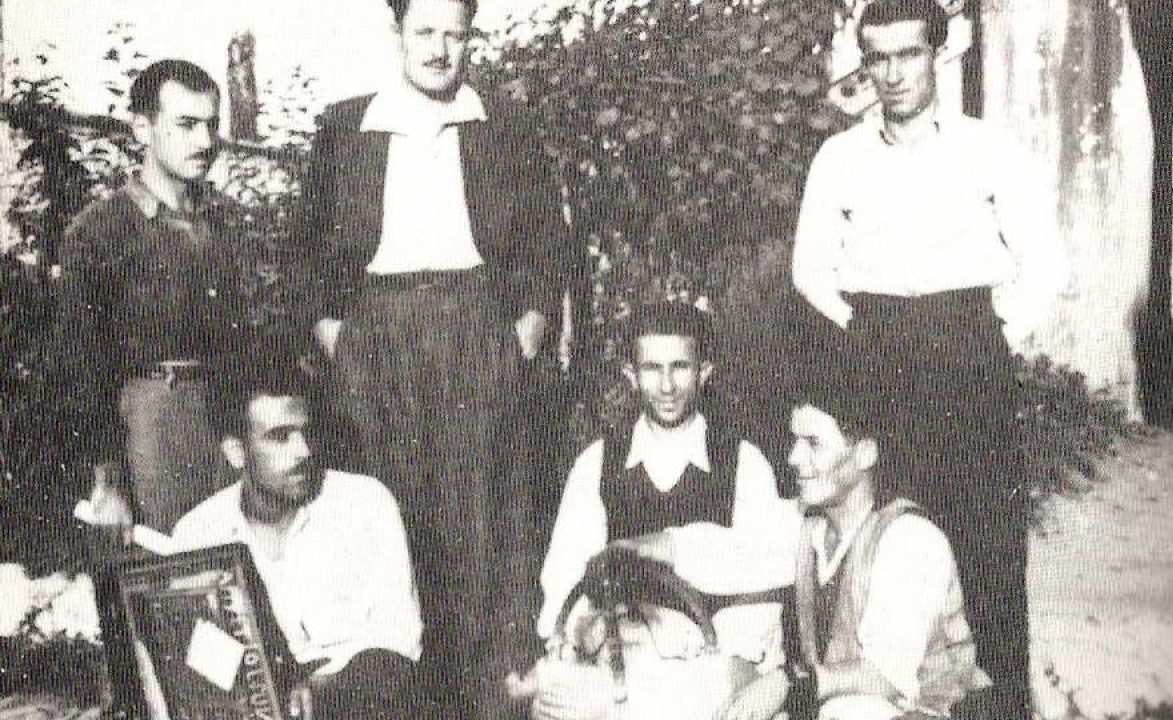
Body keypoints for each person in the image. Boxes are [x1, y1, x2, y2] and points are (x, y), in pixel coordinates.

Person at [789, 0, 1068, 714]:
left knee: (987, 551)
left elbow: (1042, 262)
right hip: (878, 354)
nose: (893, 73)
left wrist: (989, 336)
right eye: (878, 58)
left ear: (938, 55)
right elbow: (810, 269)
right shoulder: (841, 158)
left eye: (908, 54)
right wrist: (865, 332)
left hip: (967, 353)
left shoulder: (988, 149)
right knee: (887, 541)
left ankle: (1000, 707)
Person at [293, 0, 570, 713]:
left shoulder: (502, 126)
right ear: (397, 33)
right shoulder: (346, 128)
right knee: (388, 517)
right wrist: (335, 336)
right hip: (377, 335)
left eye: (455, 33)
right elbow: (307, 250)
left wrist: (527, 329)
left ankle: (484, 701)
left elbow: (548, 242)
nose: (440, 48)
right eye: (425, 31)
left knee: (482, 523)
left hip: (474, 326)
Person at [531, 303, 792, 720]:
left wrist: (696, 650)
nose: (667, 386)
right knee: (555, 696)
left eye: (680, 367)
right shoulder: (597, 464)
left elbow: (766, 581)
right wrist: (590, 630)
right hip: (619, 660)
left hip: (710, 668)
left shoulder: (743, 462)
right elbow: (563, 582)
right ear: (631, 375)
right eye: (652, 369)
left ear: (704, 371)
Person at [717, 347, 990, 720]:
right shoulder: (808, 528)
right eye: (795, 441)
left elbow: (886, 676)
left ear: (864, 454)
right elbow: (719, 551)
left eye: (813, 443)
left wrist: (787, 681)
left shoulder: (910, 540)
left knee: (850, 709)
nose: (793, 457)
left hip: (938, 712)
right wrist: (651, 547)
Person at [171, 350, 425, 720]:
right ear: (236, 452)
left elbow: (398, 643)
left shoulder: (364, 503)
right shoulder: (197, 534)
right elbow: (201, 667)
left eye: (306, 433)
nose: (303, 451)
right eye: (280, 437)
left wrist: (322, 692)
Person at [54, 59, 243, 534]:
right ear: (142, 128)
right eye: (186, 124)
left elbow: (238, 347)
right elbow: (80, 365)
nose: (205, 141)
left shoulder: (220, 226)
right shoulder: (99, 231)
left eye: (211, 124)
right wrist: (106, 481)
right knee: (169, 565)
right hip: (148, 432)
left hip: (222, 429)